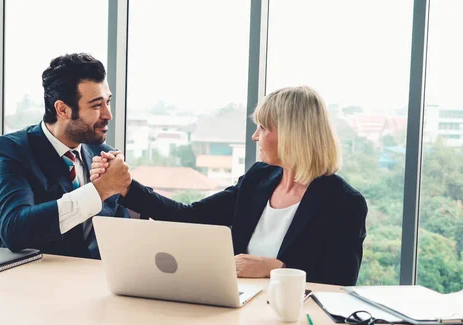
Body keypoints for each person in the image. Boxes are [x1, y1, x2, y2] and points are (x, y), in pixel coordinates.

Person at [91, 86, 368, 286]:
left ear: (292, 134)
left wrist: (278, 268)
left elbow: (340, 283)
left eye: (263, 127)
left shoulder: (344, 203)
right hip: (239, 305)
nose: (255, 135)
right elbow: (190, 216)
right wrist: (125, 186)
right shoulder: (259, 178)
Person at [0, 53, 131, 259]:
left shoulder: (103, 155)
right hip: (33, 285)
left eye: (108, 102)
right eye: (97, 105)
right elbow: (13, 229)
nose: (108, 114)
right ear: (62, 109)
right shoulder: (11, 150)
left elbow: (120, 228)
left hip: (99, 282)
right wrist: (98, 191)